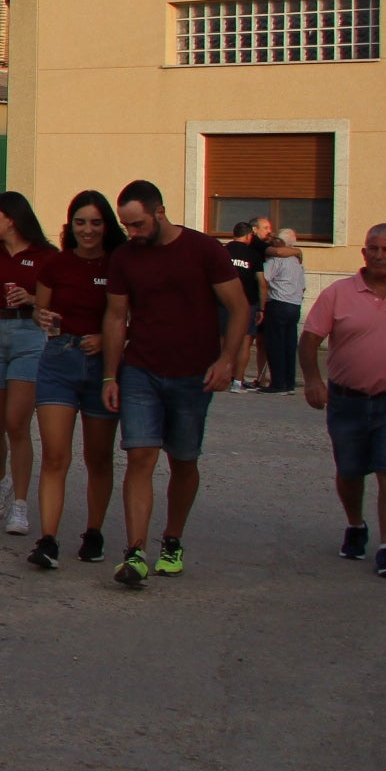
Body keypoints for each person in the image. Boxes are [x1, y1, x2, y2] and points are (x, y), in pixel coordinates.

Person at [100, 179, 248, 588]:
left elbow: (238, 308)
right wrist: (111, 374)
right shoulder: (125, 258)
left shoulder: (204, 250)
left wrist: (226, 359)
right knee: (139, 456)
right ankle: (135, 551)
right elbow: (115, 317)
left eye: (138, 224)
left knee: (183, 460)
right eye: (126, 226)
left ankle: (173, 539)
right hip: (141, 370)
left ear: (159, 212)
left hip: (192, 374)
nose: (132, 233)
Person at [299, 225, 386, 577]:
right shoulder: (339, 294)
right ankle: (355, 525)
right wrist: (313, 380)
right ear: (363, 252)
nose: (379, 255)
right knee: (350, 470)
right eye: (373, 248)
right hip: (347, 400)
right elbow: (310, 339)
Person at [30, 191, 119, 568]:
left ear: (107, 226)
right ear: (71, 226)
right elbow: (41, 308)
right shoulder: (56, 264)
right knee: (54, 455)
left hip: (101, 365)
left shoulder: (119, 264)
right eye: (81, 222)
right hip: (59, 360)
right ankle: (48, 539)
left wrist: (110, 339)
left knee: (98, 457)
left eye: (96, 222)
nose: (88, 230)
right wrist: (41, 318)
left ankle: (94, 532)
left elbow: (130, 316)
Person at [0, 191, 54, 535]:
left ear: (12, 219)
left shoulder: (47, 256)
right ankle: (1, 481)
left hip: (28, 335)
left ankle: (19, 504)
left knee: (17, 422)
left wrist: (31, 298)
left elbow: (56, 302)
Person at [262, 228, 308, 395]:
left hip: (278, 303)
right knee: (289, 345)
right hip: (294, 305)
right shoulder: (297, 262)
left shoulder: (277, 260)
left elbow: (263, 278)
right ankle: (289, 383)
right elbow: (303, 286)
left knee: (275, 344)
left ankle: (278, 382)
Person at [224, 218, 269, 390]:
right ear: (249, 236)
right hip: (247, 304)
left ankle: (221, 376)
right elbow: (261, 283)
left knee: (222, 339)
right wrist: (262, 307)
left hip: (223, 302)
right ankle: (237, 382)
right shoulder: (253, 255)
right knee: (245, 341)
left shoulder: (223, 251)